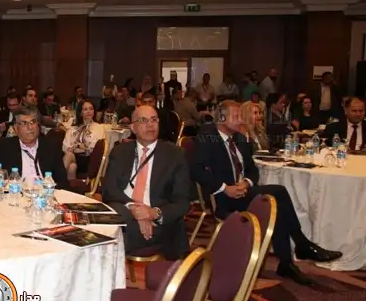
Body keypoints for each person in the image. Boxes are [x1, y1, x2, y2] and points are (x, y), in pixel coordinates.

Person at [191, 101, 342, 285]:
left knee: (276, 206)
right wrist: (225, 188)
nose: (240, 120)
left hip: (243, 193)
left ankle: (287, 263)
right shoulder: (207, 136)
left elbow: (252, 170)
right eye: (236, 116)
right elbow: (196, 170)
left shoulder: (239, 139)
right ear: (222, 118)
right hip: (223, 198)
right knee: (278, 192)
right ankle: (300, 245)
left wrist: (246, 182)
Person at [102, 105, 191, 260]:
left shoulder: (175, 155)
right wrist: (135, 209)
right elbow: (109, 189)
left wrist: (153, 213)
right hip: (124, 214)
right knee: (115, 214)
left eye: (154, 120)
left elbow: (182, 202)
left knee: (109, 235)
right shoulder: (120, 152)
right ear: (133, 128)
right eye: (143, 120)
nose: (150, 125)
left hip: (157, 224)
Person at [0, 106, 69, 188]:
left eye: (33, 122)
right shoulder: (5, 147)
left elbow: (62, 182)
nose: (30, 127)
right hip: (16, 192)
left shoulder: (51, 146)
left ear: (38, 125)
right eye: (24, 123)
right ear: (16, 128)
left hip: (45, 192)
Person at [62, 99, 106, 180]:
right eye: (85, 109)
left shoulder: (99, 128)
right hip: (73, 157)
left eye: (91, 109)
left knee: (70, 158)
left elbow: (93, 148)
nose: (89, 111)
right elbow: (65, 147)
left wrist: (76, 147)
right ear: (80, 112)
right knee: (72, 166)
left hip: (87, 160)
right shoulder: (73, 129)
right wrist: (80, 147)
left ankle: (55, 180)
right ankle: (69, 187)